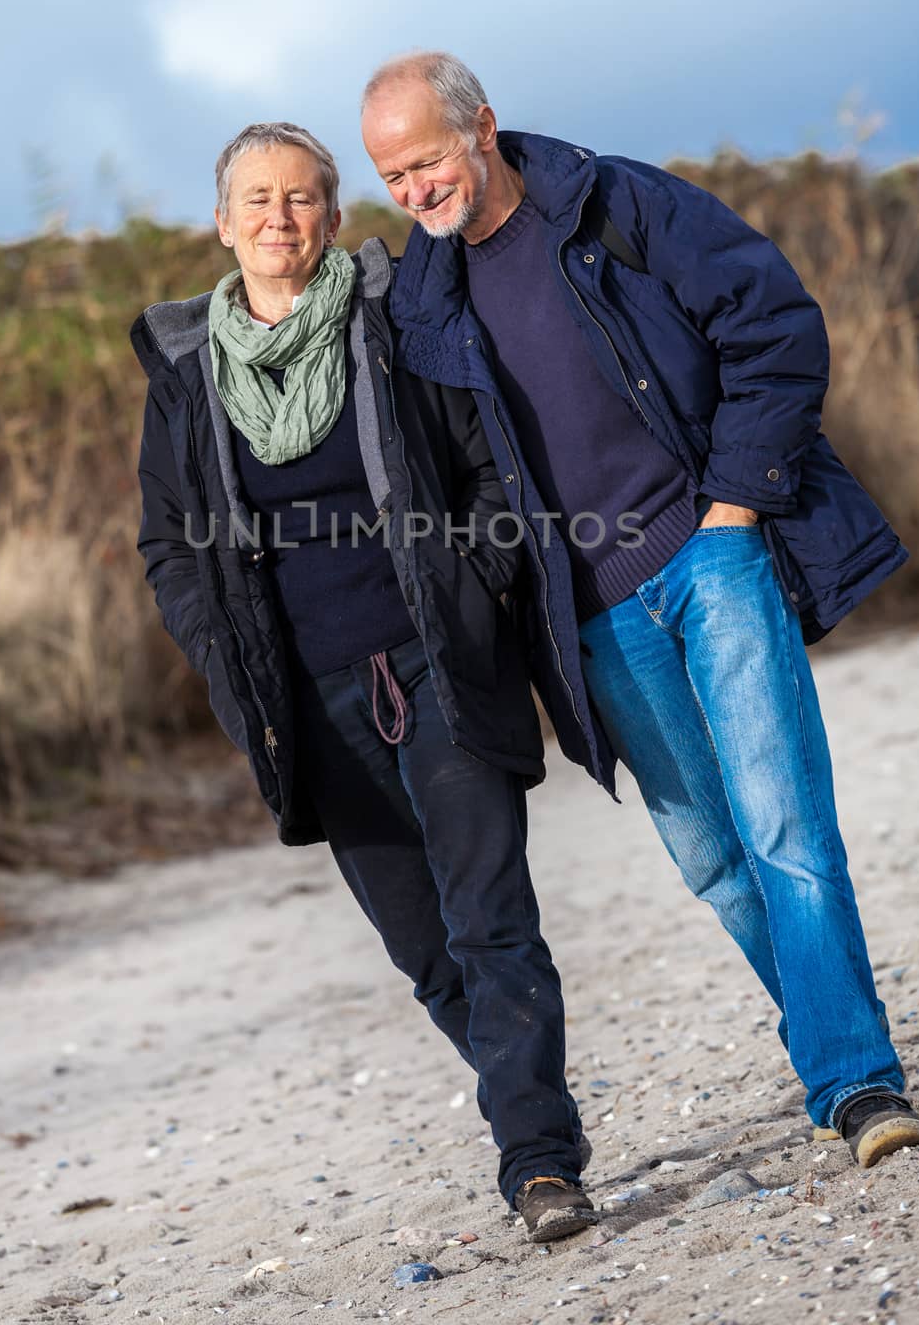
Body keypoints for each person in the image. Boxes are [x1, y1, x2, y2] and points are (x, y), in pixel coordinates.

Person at [360, 52, 919, 1169]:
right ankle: (830, 1038)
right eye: (392, 177)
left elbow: (771, 322)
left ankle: (856, 1080)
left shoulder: (615, 201)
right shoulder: (420, 303)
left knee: (784, 829)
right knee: (714, 858)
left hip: (709, 554)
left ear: (482, 125)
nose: (415, 191)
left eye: (426, 160)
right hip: (591, 619)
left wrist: (732, 504)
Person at [130, 121, 596, 1240]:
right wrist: (223, 659)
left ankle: (537, 1161)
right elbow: (167, 543)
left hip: (437, 661)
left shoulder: (389, 323)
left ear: (333, 218)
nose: (279, 219)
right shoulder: (187, 373)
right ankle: (528, 1110)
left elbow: (484, 460)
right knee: (426, 952)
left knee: (491, 921)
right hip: (310, 704)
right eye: (256, 200)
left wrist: (477, 579)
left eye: (301, 199)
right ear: (221, 221)